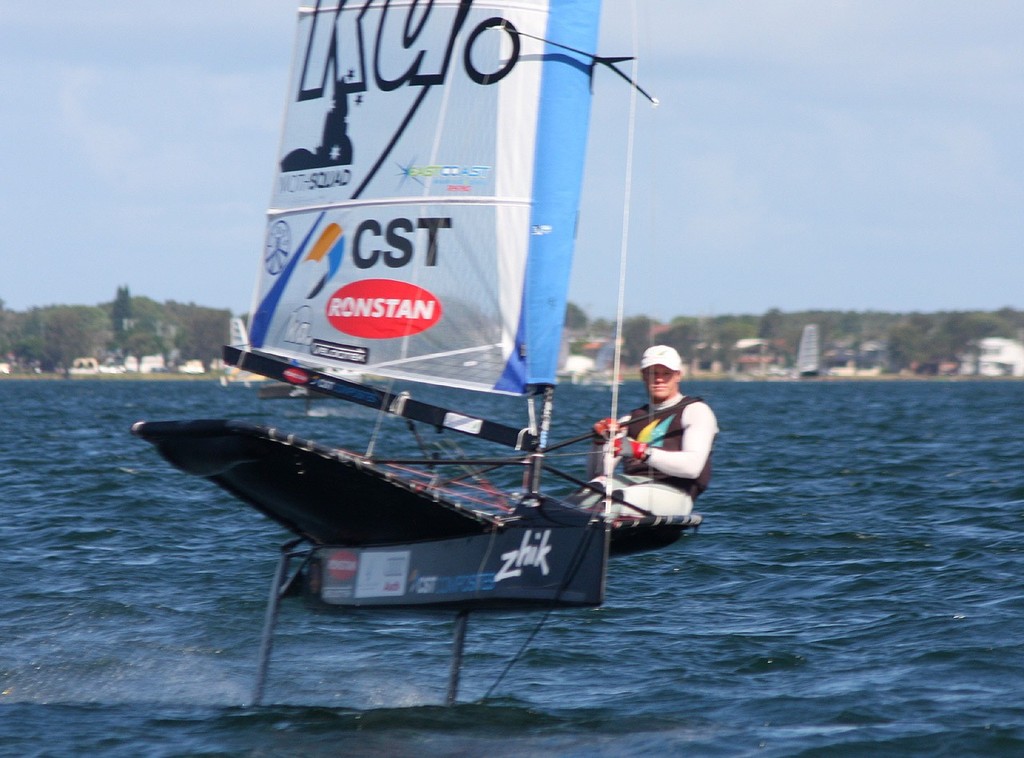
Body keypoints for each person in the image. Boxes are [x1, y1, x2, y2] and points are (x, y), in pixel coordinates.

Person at [584, 345, 718, 518]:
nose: (659, 379)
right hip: (633, 488)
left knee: (614, 501)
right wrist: (599, 442)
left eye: (666, 373)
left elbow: (692, 468)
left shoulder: (696, 411)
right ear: (643, 376)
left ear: (678, 375)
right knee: (591, 490)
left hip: (675, 494)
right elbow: (598, 474)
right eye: (653, 373)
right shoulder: (630, 419)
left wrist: (641, 451)